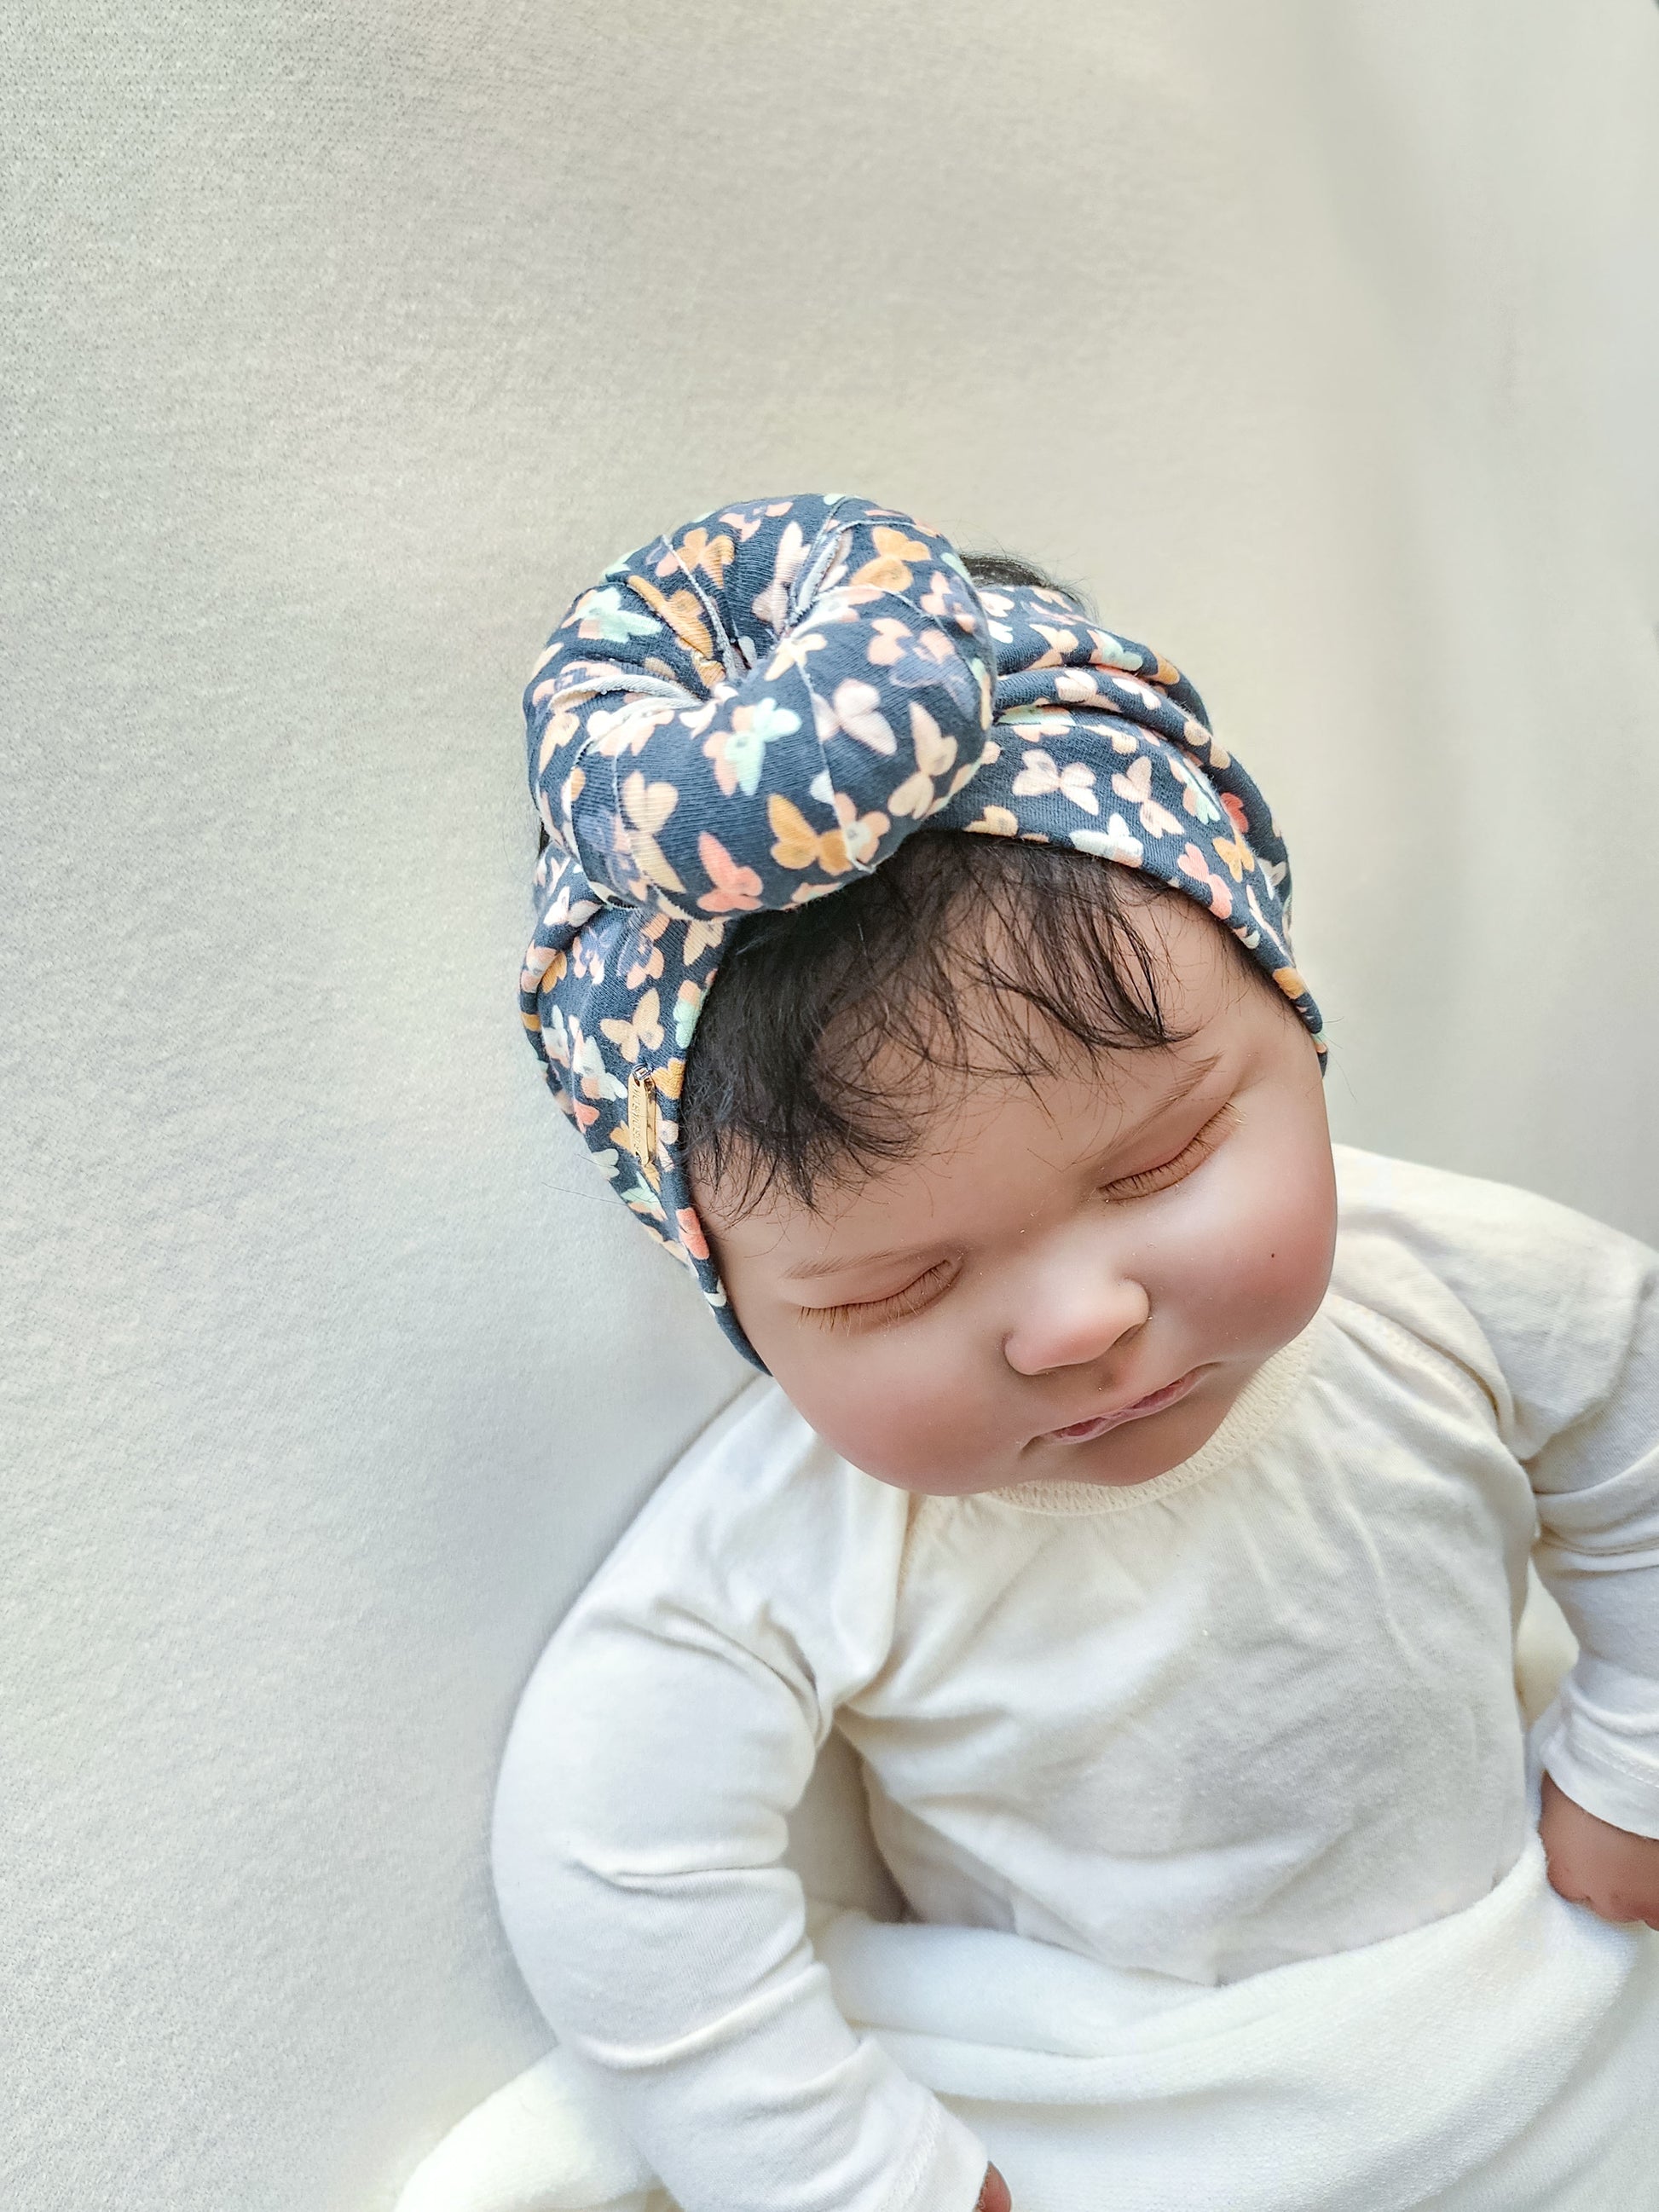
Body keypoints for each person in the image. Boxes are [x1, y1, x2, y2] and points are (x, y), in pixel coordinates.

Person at [493, 494, 1659, 2212]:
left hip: (1519, 1986)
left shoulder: (1448, 1281)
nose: (1078, 1321)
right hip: (1113, 2093)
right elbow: (612, 1853)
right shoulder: (810, 1523)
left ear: (1291, 1020)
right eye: (894, 1289)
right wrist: (846, 2165)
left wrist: (1631, 1748)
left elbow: (1633, 1430)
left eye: (1162, 1162)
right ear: (739, 1299)